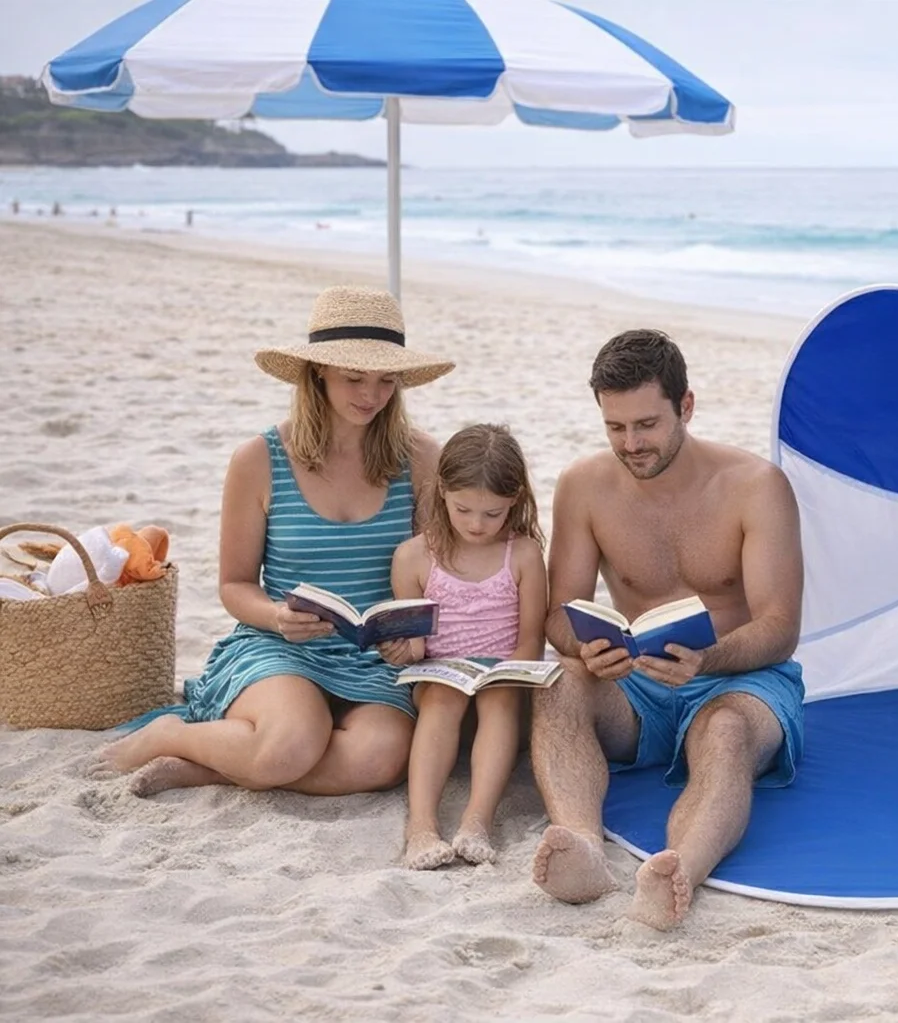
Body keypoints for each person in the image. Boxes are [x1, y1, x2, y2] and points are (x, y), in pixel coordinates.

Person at [97, 286, 453, 797]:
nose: (371, 395)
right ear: (318, 373)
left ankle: (208, 766)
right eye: (354, 377)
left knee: (382, 758)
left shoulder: (420, 457)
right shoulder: (259, 459)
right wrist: (276, 618)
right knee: (290, 742)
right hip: (279, 644)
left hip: (375, 656)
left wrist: (412, 635)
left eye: (386, 381)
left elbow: (436, 574)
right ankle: (170, 735)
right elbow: (235, 585)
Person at [531, 329, 805, 930]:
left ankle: (679, 868)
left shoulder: (755, 487)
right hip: (639, 681)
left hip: (740, 679)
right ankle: (581, 846)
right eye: (615, 427)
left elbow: (781, 627)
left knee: (726, 733)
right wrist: (586, 647)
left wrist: (707, 661)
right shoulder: (584, 487)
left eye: (647, 425)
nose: (631, 443)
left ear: (686, 406)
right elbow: (558, 612)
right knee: (559, 686)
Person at [381, 424, 548, 870]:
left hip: (503, 670)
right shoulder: (414, 557)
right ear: (442, 493)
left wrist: (510, 671)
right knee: (441, 700)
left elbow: (531, 638)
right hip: (440, 673)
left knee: (498, 700)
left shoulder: (524, 554)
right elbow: (416, 643)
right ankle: (421, 828)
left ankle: (477, 822)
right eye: (464, 510)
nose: (477, 524)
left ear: (514, 500)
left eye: (493, 513)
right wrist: (403, 650)